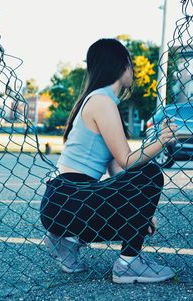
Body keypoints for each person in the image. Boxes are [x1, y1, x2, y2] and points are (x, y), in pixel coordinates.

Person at [40, 38, 178, 284]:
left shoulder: (100, 101)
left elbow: (119, 172)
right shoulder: (102, 102)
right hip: (73, 196)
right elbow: (127, 160)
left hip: (65, 201)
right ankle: (128, 264)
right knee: (152, 173)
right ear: (121, 65)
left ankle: (66, 239)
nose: (133, 71)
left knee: (142, 176)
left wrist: (142, 213)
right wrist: (161, 140)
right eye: (131, 64)